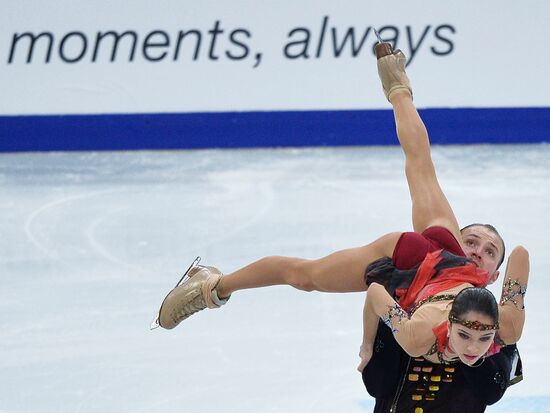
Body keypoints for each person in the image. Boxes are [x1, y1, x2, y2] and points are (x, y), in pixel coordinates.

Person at [152, 47, 528, 370]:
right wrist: (368, 343)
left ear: (493, 275)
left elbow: (519, 265)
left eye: (489, 252)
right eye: (474, 242)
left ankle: (398, 88)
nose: (477, 250)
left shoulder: (493, 320)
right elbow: (379, 291)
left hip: (436, 287)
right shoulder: (451, 294)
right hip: (419, 257)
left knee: (420, 168)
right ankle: (212, 287)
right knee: (307, 275)